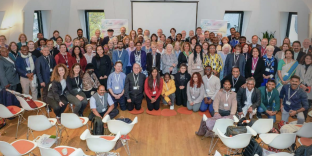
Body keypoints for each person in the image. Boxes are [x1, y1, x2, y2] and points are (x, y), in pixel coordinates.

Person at [295, 54, 312, 120]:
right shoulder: (299, 66)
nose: (308, 60)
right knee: (299, 105)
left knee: (306, 105)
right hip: (300, 86)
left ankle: (304, 119)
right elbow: (297, 75)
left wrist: (307, 85)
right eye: (307, 58)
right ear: (304, 59)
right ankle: (299, 120)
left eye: (310, 59)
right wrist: (301, 84)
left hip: (309, 89)